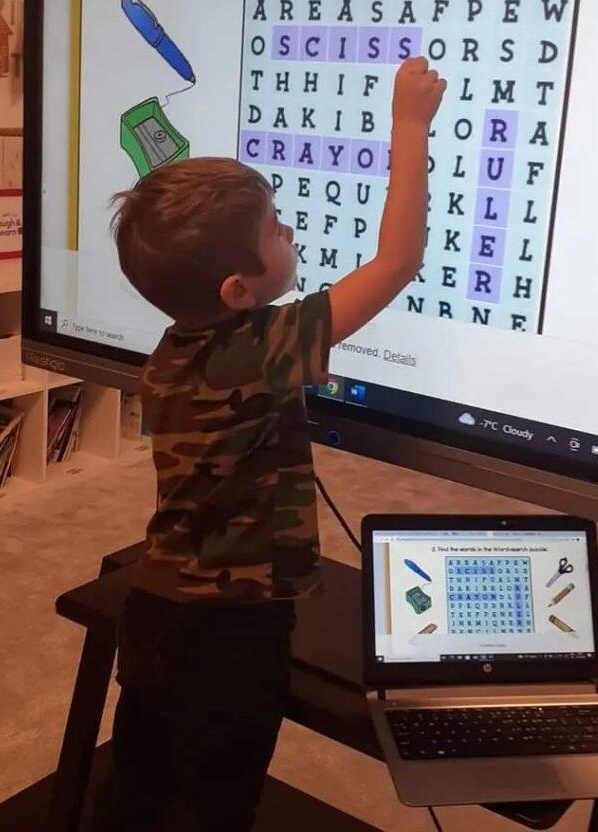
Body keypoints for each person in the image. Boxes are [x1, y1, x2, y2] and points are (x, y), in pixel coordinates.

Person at [93, 56, 445, 831]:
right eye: (274, 228)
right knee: (218, 803)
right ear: (237, 291)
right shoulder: (262, 348)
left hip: (155, 612)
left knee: (139, 786)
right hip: (232, 633)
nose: (288, 231)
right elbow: (397, 264)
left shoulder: (172, 352)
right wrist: (410, 124)